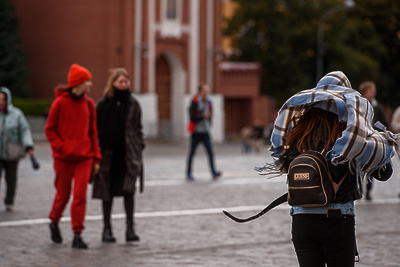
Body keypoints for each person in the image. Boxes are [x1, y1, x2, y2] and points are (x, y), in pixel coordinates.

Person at [268, 71, 395, 266]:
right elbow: (384, 173)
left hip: (301, 221)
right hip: (336, 219)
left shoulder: (298, 132)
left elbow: (289, 167)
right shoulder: (351, 136)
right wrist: (378, 141)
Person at [45, 64, 101, 249]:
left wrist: (96, 158)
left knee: (80, 196)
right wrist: (61, 147)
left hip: (84, 157)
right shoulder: (60, 103)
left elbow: (93, 133)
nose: (90, 84)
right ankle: (54, 221)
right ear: (78, 83)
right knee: (63, 195)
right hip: (63, 158)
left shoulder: (89, 104)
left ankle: (78, 233)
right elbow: (50, 129)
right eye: (88, 81)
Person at [92, 68, 145, 243]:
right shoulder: (104, 103)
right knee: (107, 192)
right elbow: (96, 128)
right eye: (120, 82)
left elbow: (138, 128)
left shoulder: (133, 104)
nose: (123, 85)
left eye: (126, 82)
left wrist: (139, 145)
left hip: (128, 154)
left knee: (129, 190)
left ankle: (130, 229)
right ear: (113, 83)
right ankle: (106, 229)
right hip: (108, 155)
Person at [0, 87, 35, 212]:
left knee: (11, 178)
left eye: (3, 99)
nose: (1, 102)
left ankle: (9, 201)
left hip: (11, 152)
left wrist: (28, 146)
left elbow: (24, 130)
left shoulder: (16, 114)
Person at [186, 83, 221, 181]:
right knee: (192, 153)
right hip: (196, 132)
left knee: (210, 152)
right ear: (200, 91)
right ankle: (188, 173)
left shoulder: (209, 102)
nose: (206, 92)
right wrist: (203, 117)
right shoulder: (194, 101)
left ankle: (213, 171)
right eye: (204, 91)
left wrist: (209, 122)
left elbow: (210, 114)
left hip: (205, 132)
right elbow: (192, 117)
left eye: (207, 91)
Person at [358, 81, 387, 200]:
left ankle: (369, 191)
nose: (373, 92)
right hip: (360, 138)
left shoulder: (378, 107)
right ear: (364, 92)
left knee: (372, 166)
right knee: (358, 165)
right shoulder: (358, 104)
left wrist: (376, 128)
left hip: (373, 140)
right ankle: (359, 189)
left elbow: (384, 122)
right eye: (371, 90)